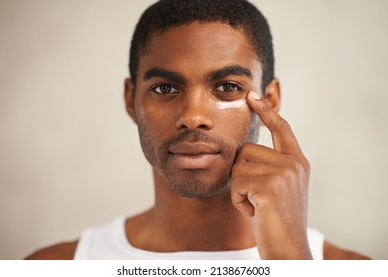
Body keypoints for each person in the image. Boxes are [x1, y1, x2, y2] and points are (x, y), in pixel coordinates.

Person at [25, 0, 370, 260]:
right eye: (164, 88)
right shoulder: (55, 265)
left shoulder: (352, 268)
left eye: (227, 87)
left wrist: (290, 260)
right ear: (132, 100)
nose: (193, 116)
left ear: (270, 99)